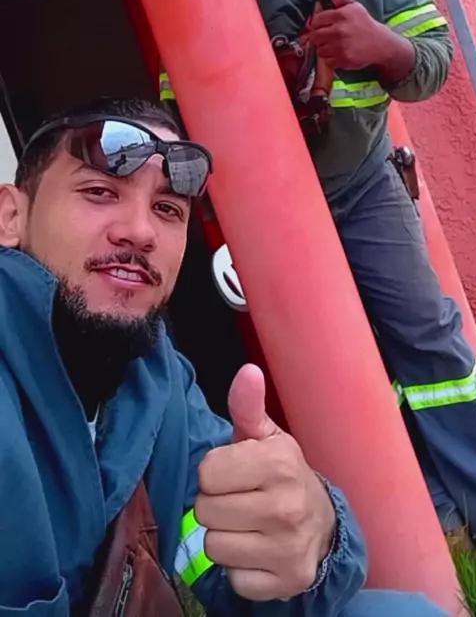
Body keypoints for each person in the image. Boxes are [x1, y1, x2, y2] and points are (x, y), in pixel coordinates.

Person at [159, 0, 476, 540]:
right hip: (273, 203)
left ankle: (471, 497)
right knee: (333, 363)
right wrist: (253, 83)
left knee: (428, 335)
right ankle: (396, 513)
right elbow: (176, 89)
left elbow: (435, 63)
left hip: (364, 181)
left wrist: (380, 45)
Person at [0, 96, 449, 616]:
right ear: (10, 216)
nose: (140, 231)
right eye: (99, 192)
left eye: (167, 209)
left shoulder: (155, 377)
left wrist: (311, 532)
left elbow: (244, 578)